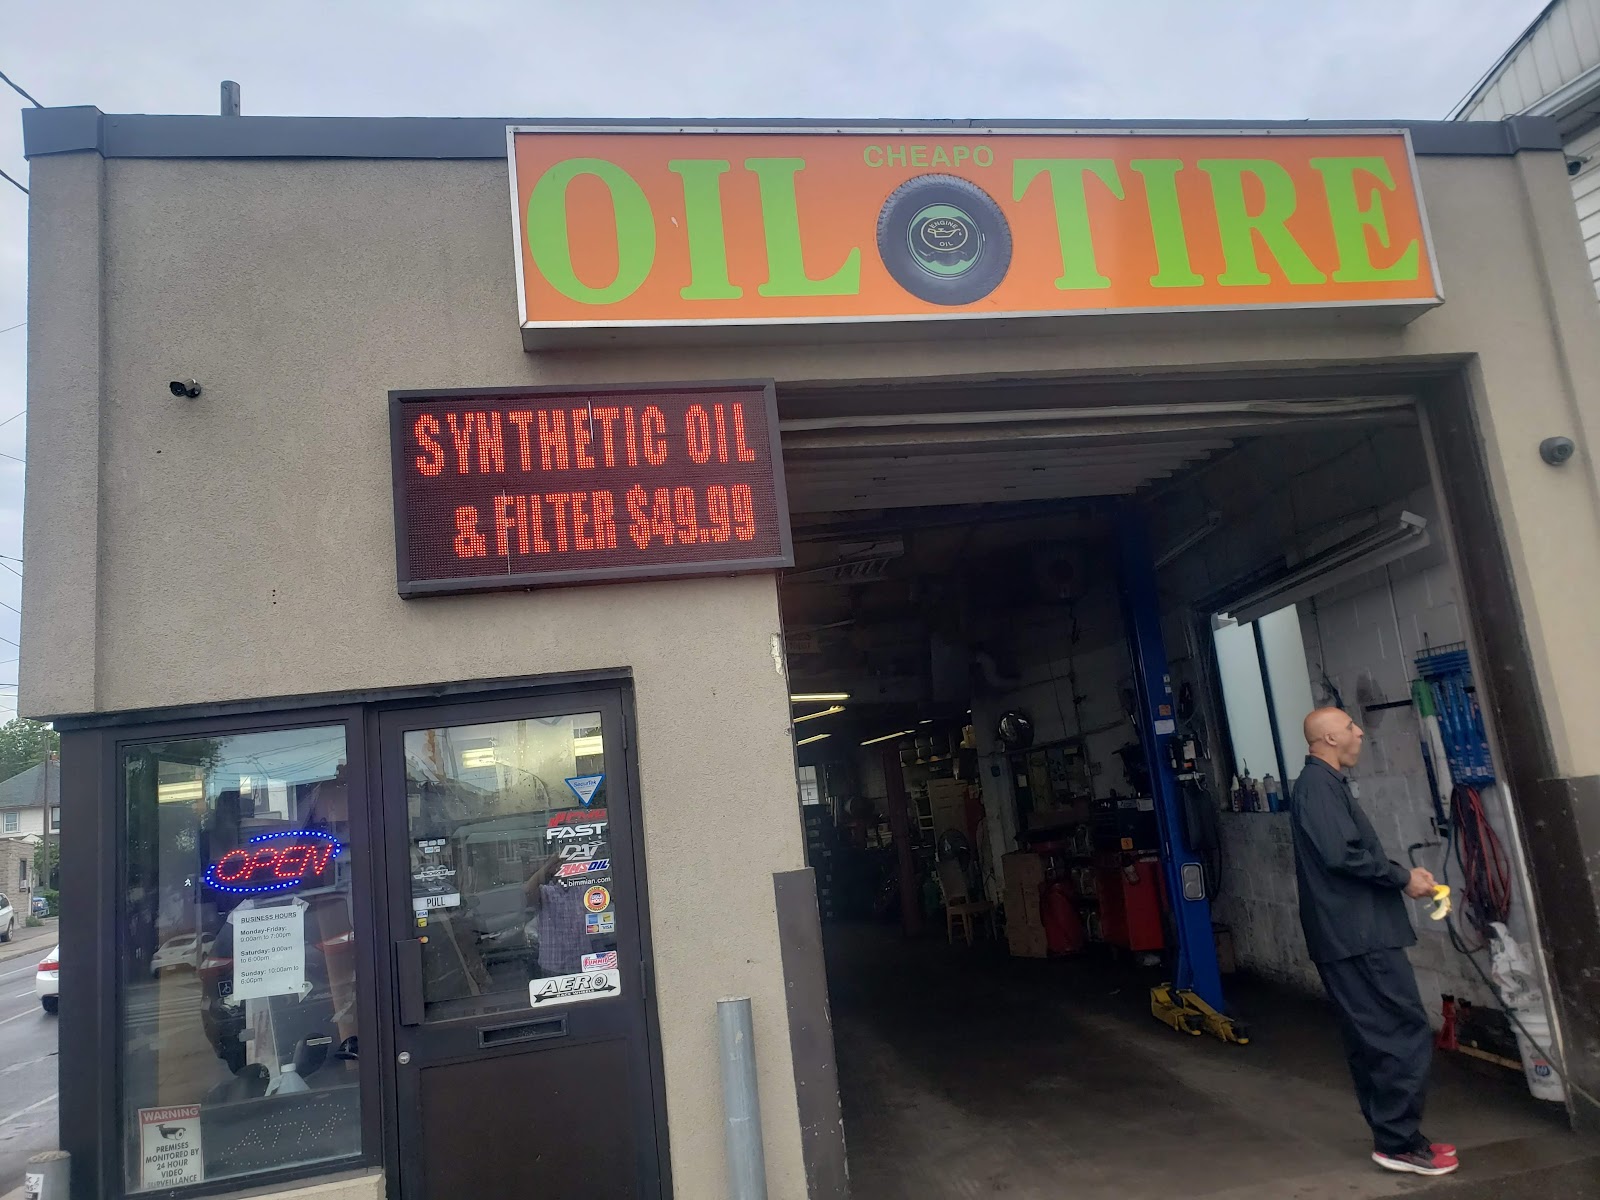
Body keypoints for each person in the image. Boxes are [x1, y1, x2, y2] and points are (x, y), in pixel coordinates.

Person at [1289, 707, 1459, 1177]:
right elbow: (1342, 856)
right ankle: (1399, 1142)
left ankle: (1396, 1137)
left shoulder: (1324, 785)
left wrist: (1402, 877)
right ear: (1328, 738)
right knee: (1399, 1031)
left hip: (1351, 933)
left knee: (1374, 1035)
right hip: (1358, 936)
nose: (1359, 732)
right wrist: (1403, 878)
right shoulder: (1318, 787)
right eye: (1349, 726)